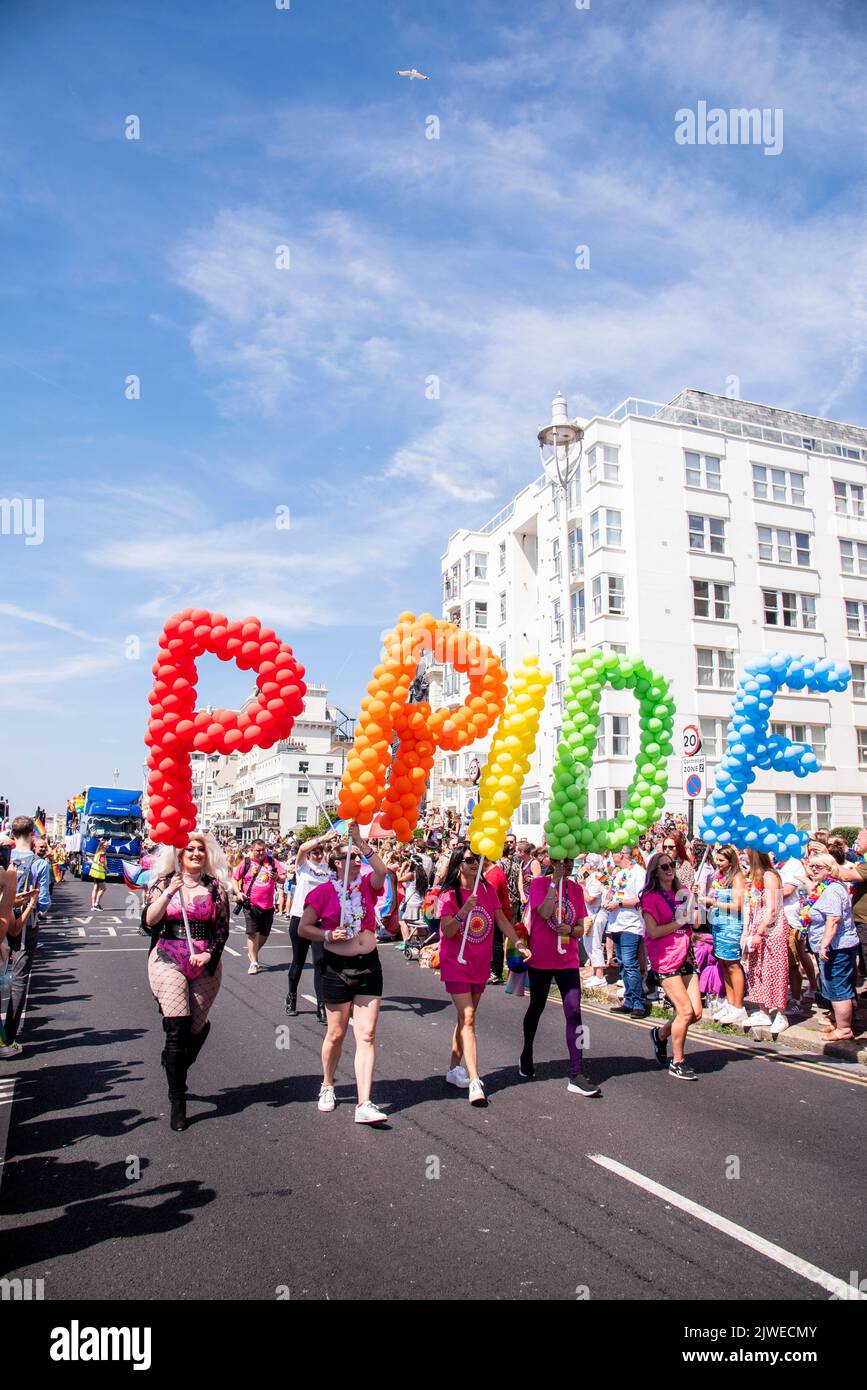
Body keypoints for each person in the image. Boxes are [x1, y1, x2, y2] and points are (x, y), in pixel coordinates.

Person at [299, 823, 388, 1124]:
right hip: (337, 969)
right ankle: (327, 1084)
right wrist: (326, 935)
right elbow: (303, 928)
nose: (356, 864)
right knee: (336, 1033)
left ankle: (364, 1102)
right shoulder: (324, 891)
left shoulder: (366, 886)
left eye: (358, 860)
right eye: (349, 858)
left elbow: (382, 871)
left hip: (368, 965)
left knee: (367, 1034)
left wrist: (360, 842)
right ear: (337, 863)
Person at [144, 834, 231, 1131]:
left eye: (200, 849)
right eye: (189, 849)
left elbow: (222, 929)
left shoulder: (215, 887)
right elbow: (149, 921)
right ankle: (177, 1100)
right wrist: (169, 892)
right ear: (178, 854)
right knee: (177, 1028)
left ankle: (174, 1060)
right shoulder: (162, 882)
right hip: (168, 957)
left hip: (204, 963)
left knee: (193, 1029)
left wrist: (209, 954)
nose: (195, 853)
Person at [438, 842, 530, 1106]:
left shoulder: (487, 890)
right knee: (467, 1017)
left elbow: (501, 920)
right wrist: (464, 911)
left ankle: (454, 1068)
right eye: (469, 860)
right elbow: (448, 930)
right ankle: (475, 1080)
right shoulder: (448, 895)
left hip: (480, 962)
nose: (475, 864)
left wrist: (519, 943)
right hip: (456, 962)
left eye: (478, 859)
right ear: (458, 865)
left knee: (466, 1018)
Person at [519, 856, 598, 1096]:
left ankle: (576, 1071)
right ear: (553, 862)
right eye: (563, 861)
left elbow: (583, 926)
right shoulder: (539, 884)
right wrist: (554, 881)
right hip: (542, 958)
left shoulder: (576, 889)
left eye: (571, 861)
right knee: (537, 1007)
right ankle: (527, 1052)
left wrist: (571, 930)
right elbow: (543, 912)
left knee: (575, 1011)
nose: (568, 865)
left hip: (568, 960)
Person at [641, 852, 702, 1079]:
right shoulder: (650, 897)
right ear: (655, 872)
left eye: (671, 864)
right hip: (666, 957)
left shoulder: (683, 892)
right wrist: (679, 921)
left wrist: (693, 905)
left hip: (686, 953)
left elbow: (696, 924)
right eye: (664, 866)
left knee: (695, 1013)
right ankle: (678, 1062)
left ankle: (660, 1035)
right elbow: (654, 931)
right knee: (684, 1012)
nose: (669, 869)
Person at [2, 817, 52, 1054]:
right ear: (32, 834)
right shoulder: (40, 865)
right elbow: (43, 903)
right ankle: (8, 1038)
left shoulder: (6, 860)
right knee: (20, 979)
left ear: (12, 834)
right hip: (25, 925)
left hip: (1, 921)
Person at [803, 854, 859, 1041]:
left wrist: (824, 945)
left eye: (819, 866)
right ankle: (837, 1021)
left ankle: (844, 1029)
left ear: (830, 868)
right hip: (831, 946)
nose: (814, 869)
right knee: (832, 985)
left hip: (836, 947)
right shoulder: (823, 886)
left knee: (838, 987)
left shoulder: (833, 889)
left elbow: (833, 920)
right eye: (811, 866)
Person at [286, 832, 335, 1019]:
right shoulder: (303, 867)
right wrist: (323, 838)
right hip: (300, 917)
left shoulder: (328, 870)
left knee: (320, 963)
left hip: (320, 922)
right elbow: (301, 848)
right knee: (298, 961)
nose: (317, 855)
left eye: (320, 852)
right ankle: (292, 996)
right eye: (314, 852)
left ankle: (321, 1004)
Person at [741, 850, 788, 1033]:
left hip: (772, 930)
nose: (744, 858)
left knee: (775, 970)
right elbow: (750, 906)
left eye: (747, 854)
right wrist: (747, 932)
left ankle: (781, 1014)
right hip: (757, 928)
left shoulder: (769, 875)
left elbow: (773, 908)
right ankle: (764, 1011)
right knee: (758, 969)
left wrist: (760, 931)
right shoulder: (755, 878)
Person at [699, 846, 747, 1024]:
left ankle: (739, 1006)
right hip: (718, 924)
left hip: (732, 926)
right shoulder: (719, 877)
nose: (718, 864)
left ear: (731, 861)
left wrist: (713, 902)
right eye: (716, 860)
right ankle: (730, 1002)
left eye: (721, 860)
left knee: (733, 965)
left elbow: (738, 905)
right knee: (723, 964)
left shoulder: (737, 877)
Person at [604, 847, 648, 1018]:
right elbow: (613, 893)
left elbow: (641, 898)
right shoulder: (617, 873)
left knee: (630, 964)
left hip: (631, 924)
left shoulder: (638, 872)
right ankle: (628, 1001)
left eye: (613, 853)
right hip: (616, 924)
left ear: (621, 854)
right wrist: (608, 900)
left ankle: (638, 1003)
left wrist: (619, 904)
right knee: (622, 963)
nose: (611, 857)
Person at [233, 839, 284, 975]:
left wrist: (277, 877)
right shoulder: (247, 862)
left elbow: (283, 878)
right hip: (251, 904)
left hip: (268, 905)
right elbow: (234, 878)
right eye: (258, 850)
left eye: (263, 850)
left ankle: (253, 952)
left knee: (265, 934)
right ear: (252, 849)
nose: (261, 853)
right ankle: (254, 963)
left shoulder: (272, 862)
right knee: (252, 933)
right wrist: (238, 893)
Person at [579, 853, 608, 988]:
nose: (584, 865)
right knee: (589, 944)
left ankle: (600, 977)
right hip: (592, 915)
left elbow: (590, 899)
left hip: (596, 915)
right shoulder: (594, 876)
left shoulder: (598, 877)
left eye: (585, 863)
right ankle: (595, 973)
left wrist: (582, 887)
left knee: (594, 945)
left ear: (590, 864)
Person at [90, 839, 109, 910]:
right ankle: (96, 904)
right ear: (103, 846)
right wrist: (107, 870)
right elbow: (102, 863)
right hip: (99, 874)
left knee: (95, 888)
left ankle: (93, 905)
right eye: (107, 845)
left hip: (94, 873)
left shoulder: (97, 852)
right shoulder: (102, 853)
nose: (107, 846)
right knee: (103, 888)